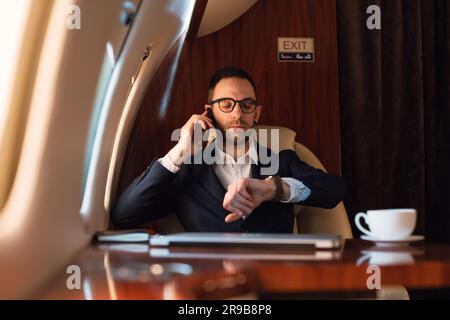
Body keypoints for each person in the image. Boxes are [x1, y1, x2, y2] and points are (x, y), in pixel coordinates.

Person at [111, 67, 346, 233]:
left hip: (273, 283)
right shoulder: (188, 170)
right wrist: (180, 151)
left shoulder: (282, 160)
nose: (237, 114)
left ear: (257, 114)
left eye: (247, 105)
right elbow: (125, 213)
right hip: (210, 285)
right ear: (209, 112)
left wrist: (275, 188)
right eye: (226, 104)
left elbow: (334, 190)